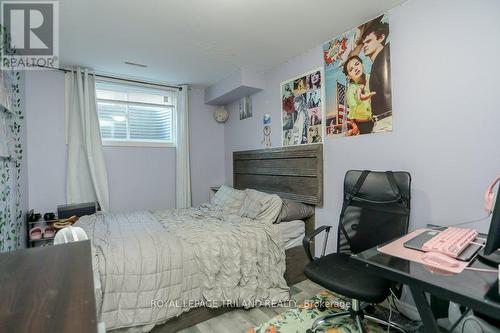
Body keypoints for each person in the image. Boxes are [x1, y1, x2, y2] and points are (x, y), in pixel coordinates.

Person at [361, 21, 391, 119]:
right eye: (363, 43)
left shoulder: (386, 53)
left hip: (386, 120)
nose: (364, 45)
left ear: (381, 38)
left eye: (368, 41)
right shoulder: (377, 62)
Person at [343, 55, 376, 135]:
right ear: (349, 76)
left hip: (376, 120)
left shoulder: (372, 77)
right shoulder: (350, 91)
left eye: (357, 64)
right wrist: (354, 126)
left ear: (362, 64)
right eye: (351, 69)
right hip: (361, 126)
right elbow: (352, 112)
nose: (355, 69)